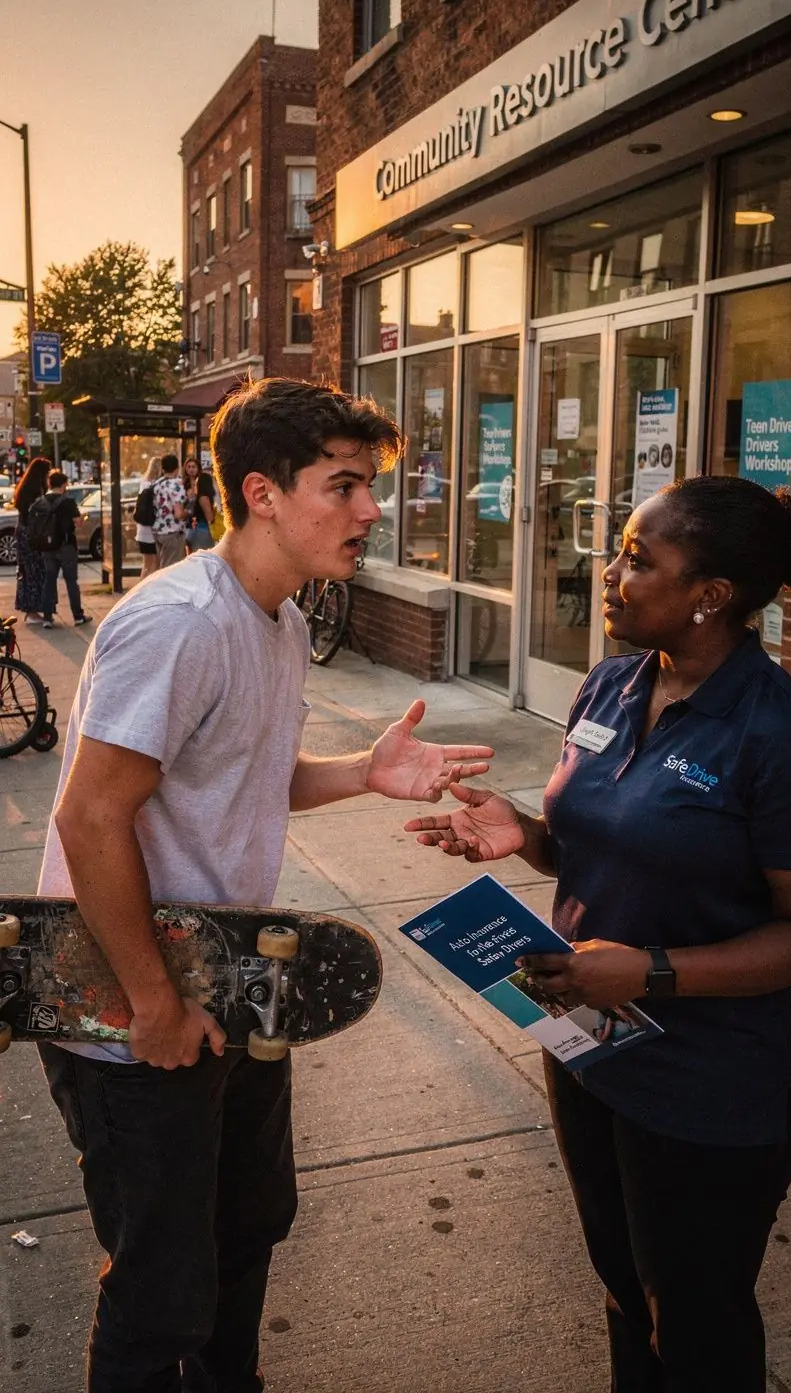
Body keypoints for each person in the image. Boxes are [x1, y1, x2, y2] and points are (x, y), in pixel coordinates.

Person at [37, 375, 495, 1393]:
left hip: (235, 986)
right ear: (263, 492)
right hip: (132, 1004)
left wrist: (363, 775)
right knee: (158, 1297)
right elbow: (90, 815)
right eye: (343, 486)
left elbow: (243, 776)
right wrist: (151, 1005)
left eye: (368, 486)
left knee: (247, 1232)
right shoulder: (179, 624)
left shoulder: (279, 620)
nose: (370, 511)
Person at [406, 474, 791, 1393]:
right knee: (626, 1288)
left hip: (715, 1079)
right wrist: (527, 835)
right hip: (588, 1043)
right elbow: (612, 839)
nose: (608, 571)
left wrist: (651, 973)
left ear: (710, 596)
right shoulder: (613, 683)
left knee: (697, 1319)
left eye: (638, 558)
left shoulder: (782, 735)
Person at [39, 469, 92, 630]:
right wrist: (83, 516)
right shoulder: (67, 502)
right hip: (66, 546)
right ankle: (77, 616)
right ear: (63, 485)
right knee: (71, 582)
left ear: (49, 484)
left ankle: (47, 618)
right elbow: (78, 522)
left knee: (49, 581)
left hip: (47, 547)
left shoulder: (41, 501)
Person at [12, 454, 51, 622]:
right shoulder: (36, 492)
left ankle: (30, 609)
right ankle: (32, 611)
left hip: (23, 533)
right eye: (47, 473)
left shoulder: (25, 489)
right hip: (31, 535)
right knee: (35, 571)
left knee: (27, 571)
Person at [151, 452, 187, 567]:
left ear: (163, 468)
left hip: (157, 531)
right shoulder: (176, 484)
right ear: (177, 468)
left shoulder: (156, 483)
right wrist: (188, 513)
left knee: (161, 566)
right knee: (172, 569)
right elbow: (178, 513)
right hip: (173, 531)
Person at [183, 453, 217, 553]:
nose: (191, 469)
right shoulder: (184, 484)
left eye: (194, 466)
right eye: (188, 467)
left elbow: (207, 501)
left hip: (200, 522)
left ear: (198, 468)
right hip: (187, 525)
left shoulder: (203, 482)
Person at [135, 454, 162, 578]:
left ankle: (140, 590)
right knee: (155, 565)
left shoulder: (144, 483)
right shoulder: (156, 485)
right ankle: (144, 592)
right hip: (153, 530)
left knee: (146, 565)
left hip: (142, 530)